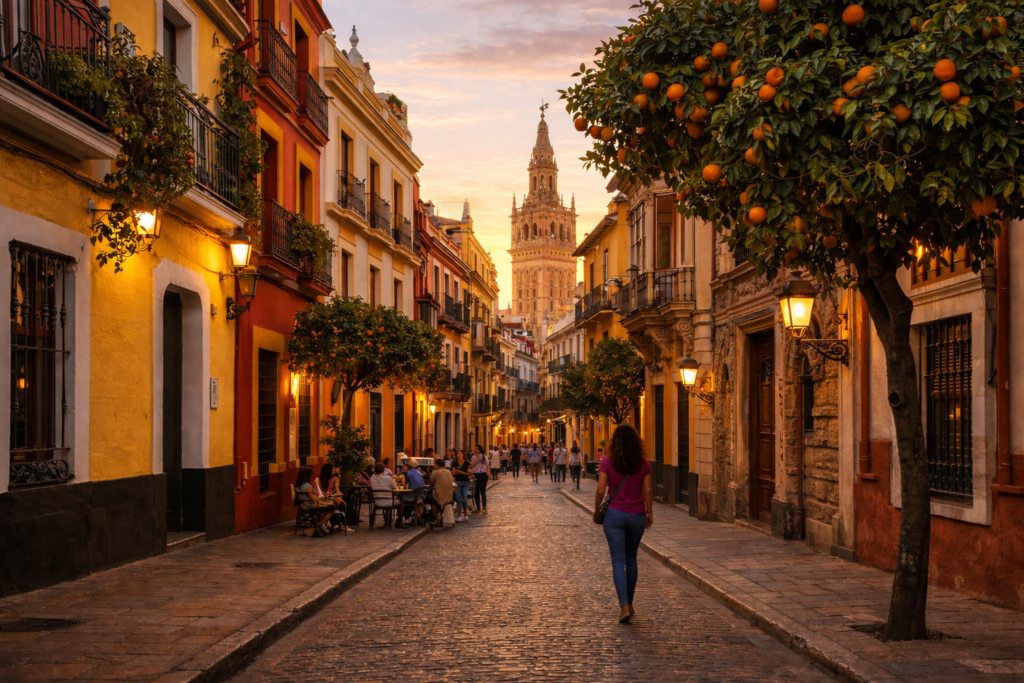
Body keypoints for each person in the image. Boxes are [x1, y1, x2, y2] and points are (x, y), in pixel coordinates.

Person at [595, 424, 653, 623]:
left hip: (614, 516)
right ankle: (630, 602)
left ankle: (623, 606)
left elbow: (601, 489)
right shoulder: (644, 463)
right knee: (632, 559)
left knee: (618, 561)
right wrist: (650, 512)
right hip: (637, 514)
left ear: (614, 442)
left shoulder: (607, 462)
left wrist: (597, 509)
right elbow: (649, 490)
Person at [294, 466, 336, 535]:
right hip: (310, 506)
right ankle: (319, 524)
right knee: (332, 509)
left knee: (327, 507)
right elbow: (314, 500)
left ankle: (320, 525)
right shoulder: (307, 486)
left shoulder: (299, 485)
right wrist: (323, 504)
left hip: (304, 505)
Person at [314, 463, 351, 532]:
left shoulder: (318, 479)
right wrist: (341, 494)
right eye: (333, 469)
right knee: (342, 505)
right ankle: (342, 525)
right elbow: (337, 492)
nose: (334, 470)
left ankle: (338, 524)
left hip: (320, 500)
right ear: (330, 471)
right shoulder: (335, 479)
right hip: (331, 500)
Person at [370, 462, 404, 528]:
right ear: (383, 470)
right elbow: (394, 487)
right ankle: (399, 521)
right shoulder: (388, 478)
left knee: (385, 500)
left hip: (377, 502)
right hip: (390, 501)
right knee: (401, 501)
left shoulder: (372, 478)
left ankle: (387, 520)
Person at [451, 449, 472, 522]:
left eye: (460, 453)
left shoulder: (467, 463)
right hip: (458, 482)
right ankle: (459, 514)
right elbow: (453, 473)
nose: (458, 455)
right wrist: (454, 472)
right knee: (458, 498)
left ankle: (466, 513)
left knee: (465, 498)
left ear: (463, 455)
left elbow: (469, 474)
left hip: (465, 482)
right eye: (457, 454)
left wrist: (459, 471)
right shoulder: (455, 463)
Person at [471, 444, 489, 513]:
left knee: (476, 492)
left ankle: (478, 508)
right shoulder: (485, 457)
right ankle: (484, 507)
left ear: (479, 450)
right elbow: (487, 464)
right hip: (483, 474)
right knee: (482, 492)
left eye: (476, 449)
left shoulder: (474, 457)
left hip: (477, 474)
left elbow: (473, 465)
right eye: (475, 448)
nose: (475, 450)